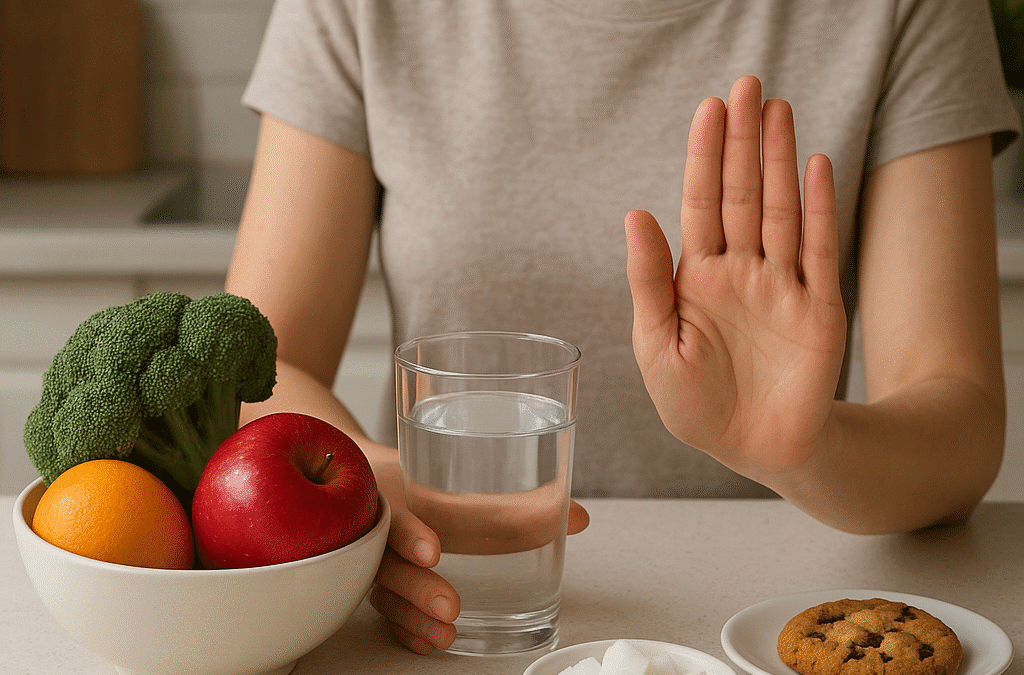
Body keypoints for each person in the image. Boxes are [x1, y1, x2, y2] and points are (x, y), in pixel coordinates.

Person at [224, 0, 1021, 655]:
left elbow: (962, 417)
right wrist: (376, 497)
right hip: (449, 620)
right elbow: (255, 369)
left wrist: (811, 449)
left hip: (752, 624)